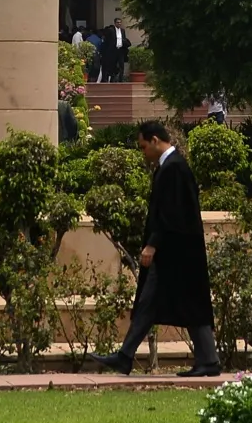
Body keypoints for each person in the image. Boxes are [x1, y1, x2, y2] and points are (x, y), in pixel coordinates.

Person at [93, 121, 220, 376]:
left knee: (184, 303)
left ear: (154, 140)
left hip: (177, 252)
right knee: (155, 303)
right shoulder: (171, 166)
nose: (143, 153)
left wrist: (152, 244)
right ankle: (126, 356)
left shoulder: (174, 168)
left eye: (143, 147)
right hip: (175, 250)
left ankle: (207, 360)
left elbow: (171, 212)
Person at [100, 17, 131, 82]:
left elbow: (124, 38)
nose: (119, 24)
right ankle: (112, 78)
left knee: (121, 65)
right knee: (113, 65)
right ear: (115, 23)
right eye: (117, 22)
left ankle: (120, 79)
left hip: (120, 50)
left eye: (120, 22)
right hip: (113, 50)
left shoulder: (122, 30)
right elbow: (108, 40)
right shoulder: (111, 30)